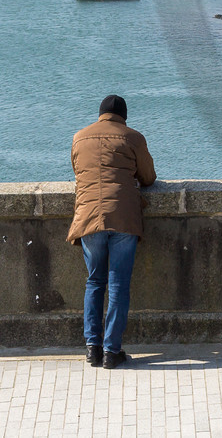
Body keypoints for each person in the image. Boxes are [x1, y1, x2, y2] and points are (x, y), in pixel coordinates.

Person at [69, 95, 156, 370]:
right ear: (124, 117)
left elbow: (78, 172)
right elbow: (149, 177)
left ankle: (92, 348)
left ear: (100, 115)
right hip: (124, 217)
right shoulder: (133, 138)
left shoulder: (79, 138)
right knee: (118, 284)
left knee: (95, 281)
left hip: (89, 218)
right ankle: (111, 351)